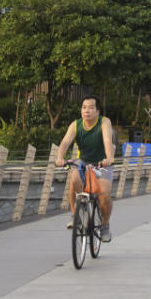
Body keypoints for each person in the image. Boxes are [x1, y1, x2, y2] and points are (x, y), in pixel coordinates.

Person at [56, 96, 115, 242]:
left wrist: (109, 158)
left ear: (97, 111)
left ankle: (105, 225)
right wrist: (59, 158)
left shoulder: (104, 122)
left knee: (105, 197)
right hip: (83, 161)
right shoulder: (75, 125)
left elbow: (108, 140)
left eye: (90, 107)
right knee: (74, 179)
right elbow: (65, 142)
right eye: (83, 107)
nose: (86, 111)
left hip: (102, 162)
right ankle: (75, 215)